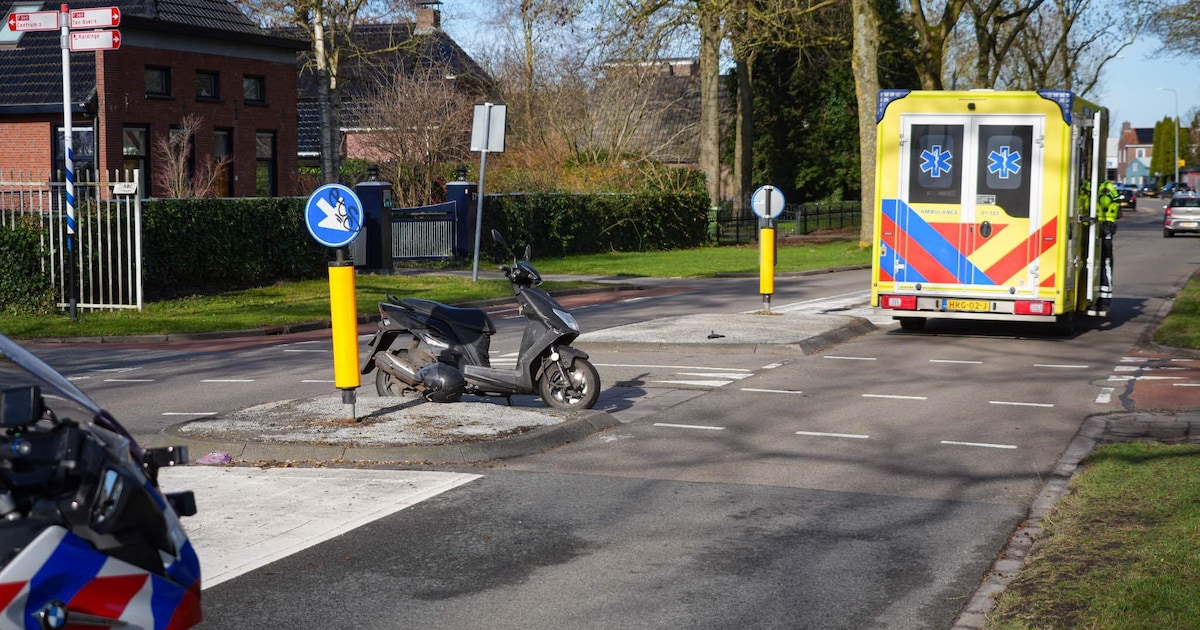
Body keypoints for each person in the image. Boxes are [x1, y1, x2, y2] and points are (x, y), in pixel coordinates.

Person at [1096, 180, 1121, 310]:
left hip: (1103, 227)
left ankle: (1104, 298)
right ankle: (1103, 298)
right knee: (1105, 263)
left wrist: (1108, 223)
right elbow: (1116, 205)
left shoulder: (1105, 187)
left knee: (1104, 263)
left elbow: (1114, 205)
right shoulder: (1106, 187)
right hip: (1102, 227)